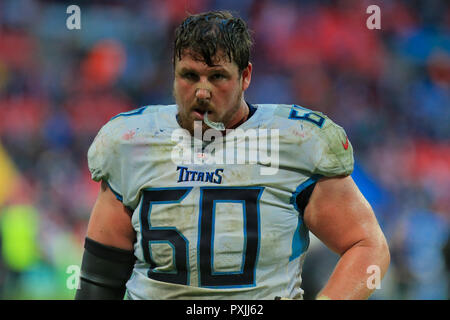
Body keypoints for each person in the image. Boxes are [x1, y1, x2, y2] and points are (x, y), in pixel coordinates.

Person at [75, 10, 390, 300]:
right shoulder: (130, 142)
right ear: (173, 73)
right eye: (189, 75)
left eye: (217, 76)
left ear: (245, 76)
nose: (201, 91)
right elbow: (100, 278)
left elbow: (367, 246)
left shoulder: (297, 142)